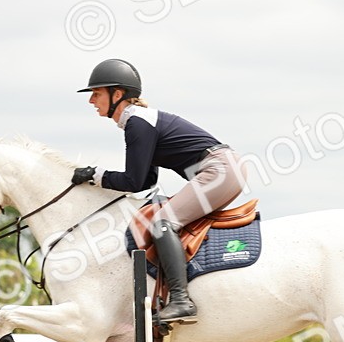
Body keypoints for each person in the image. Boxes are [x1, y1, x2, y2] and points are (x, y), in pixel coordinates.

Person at [72, 58, 247, 327]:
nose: (91, 101)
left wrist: (94, 175)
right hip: (223, 168)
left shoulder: (137, 123)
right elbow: (145, 181)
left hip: (218, 170)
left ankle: (181, 300)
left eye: (96, 93)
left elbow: (132, 180)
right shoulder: (141, 121)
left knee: (163, 222)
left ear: (117, 94)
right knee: (160, 215)